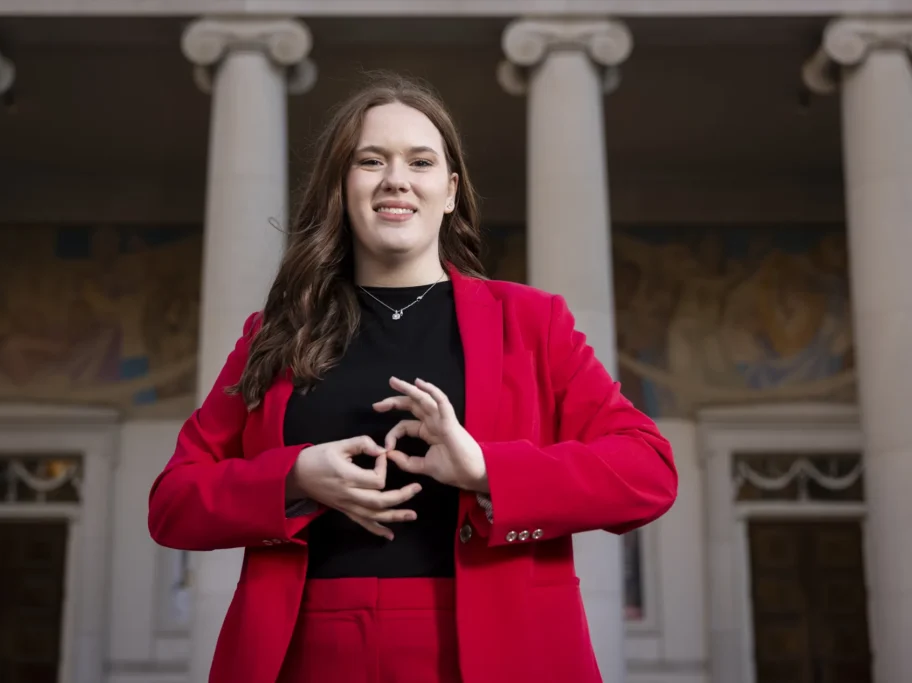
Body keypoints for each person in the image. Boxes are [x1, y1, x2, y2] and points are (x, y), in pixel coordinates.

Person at [148, 73, 678, 683]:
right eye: (370, 161)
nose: (395, 178)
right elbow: (172, 504)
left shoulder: (533, 323)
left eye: (420, 161)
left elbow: (649, 471)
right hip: (304, 650)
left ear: (449, 190)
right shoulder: (275, 332)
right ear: (342, 188)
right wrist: (294, 478)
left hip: (489, 650)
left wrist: (485, 470)